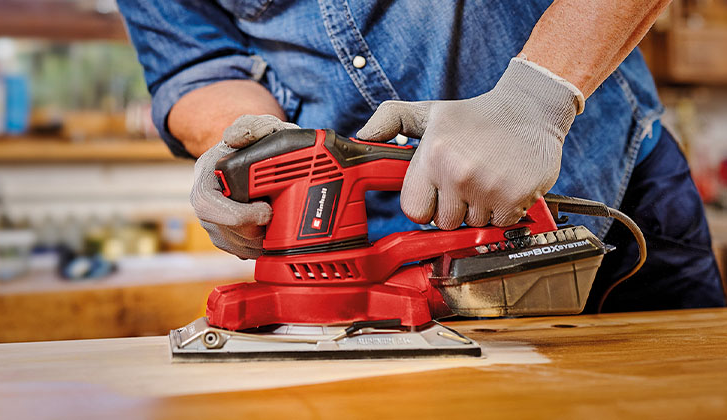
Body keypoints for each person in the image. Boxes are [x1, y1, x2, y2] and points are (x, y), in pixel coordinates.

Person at [118, 0, 726, 312]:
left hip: (610, 182)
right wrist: (248, 157)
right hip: (375, 265)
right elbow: (197, 63)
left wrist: (536, 98)